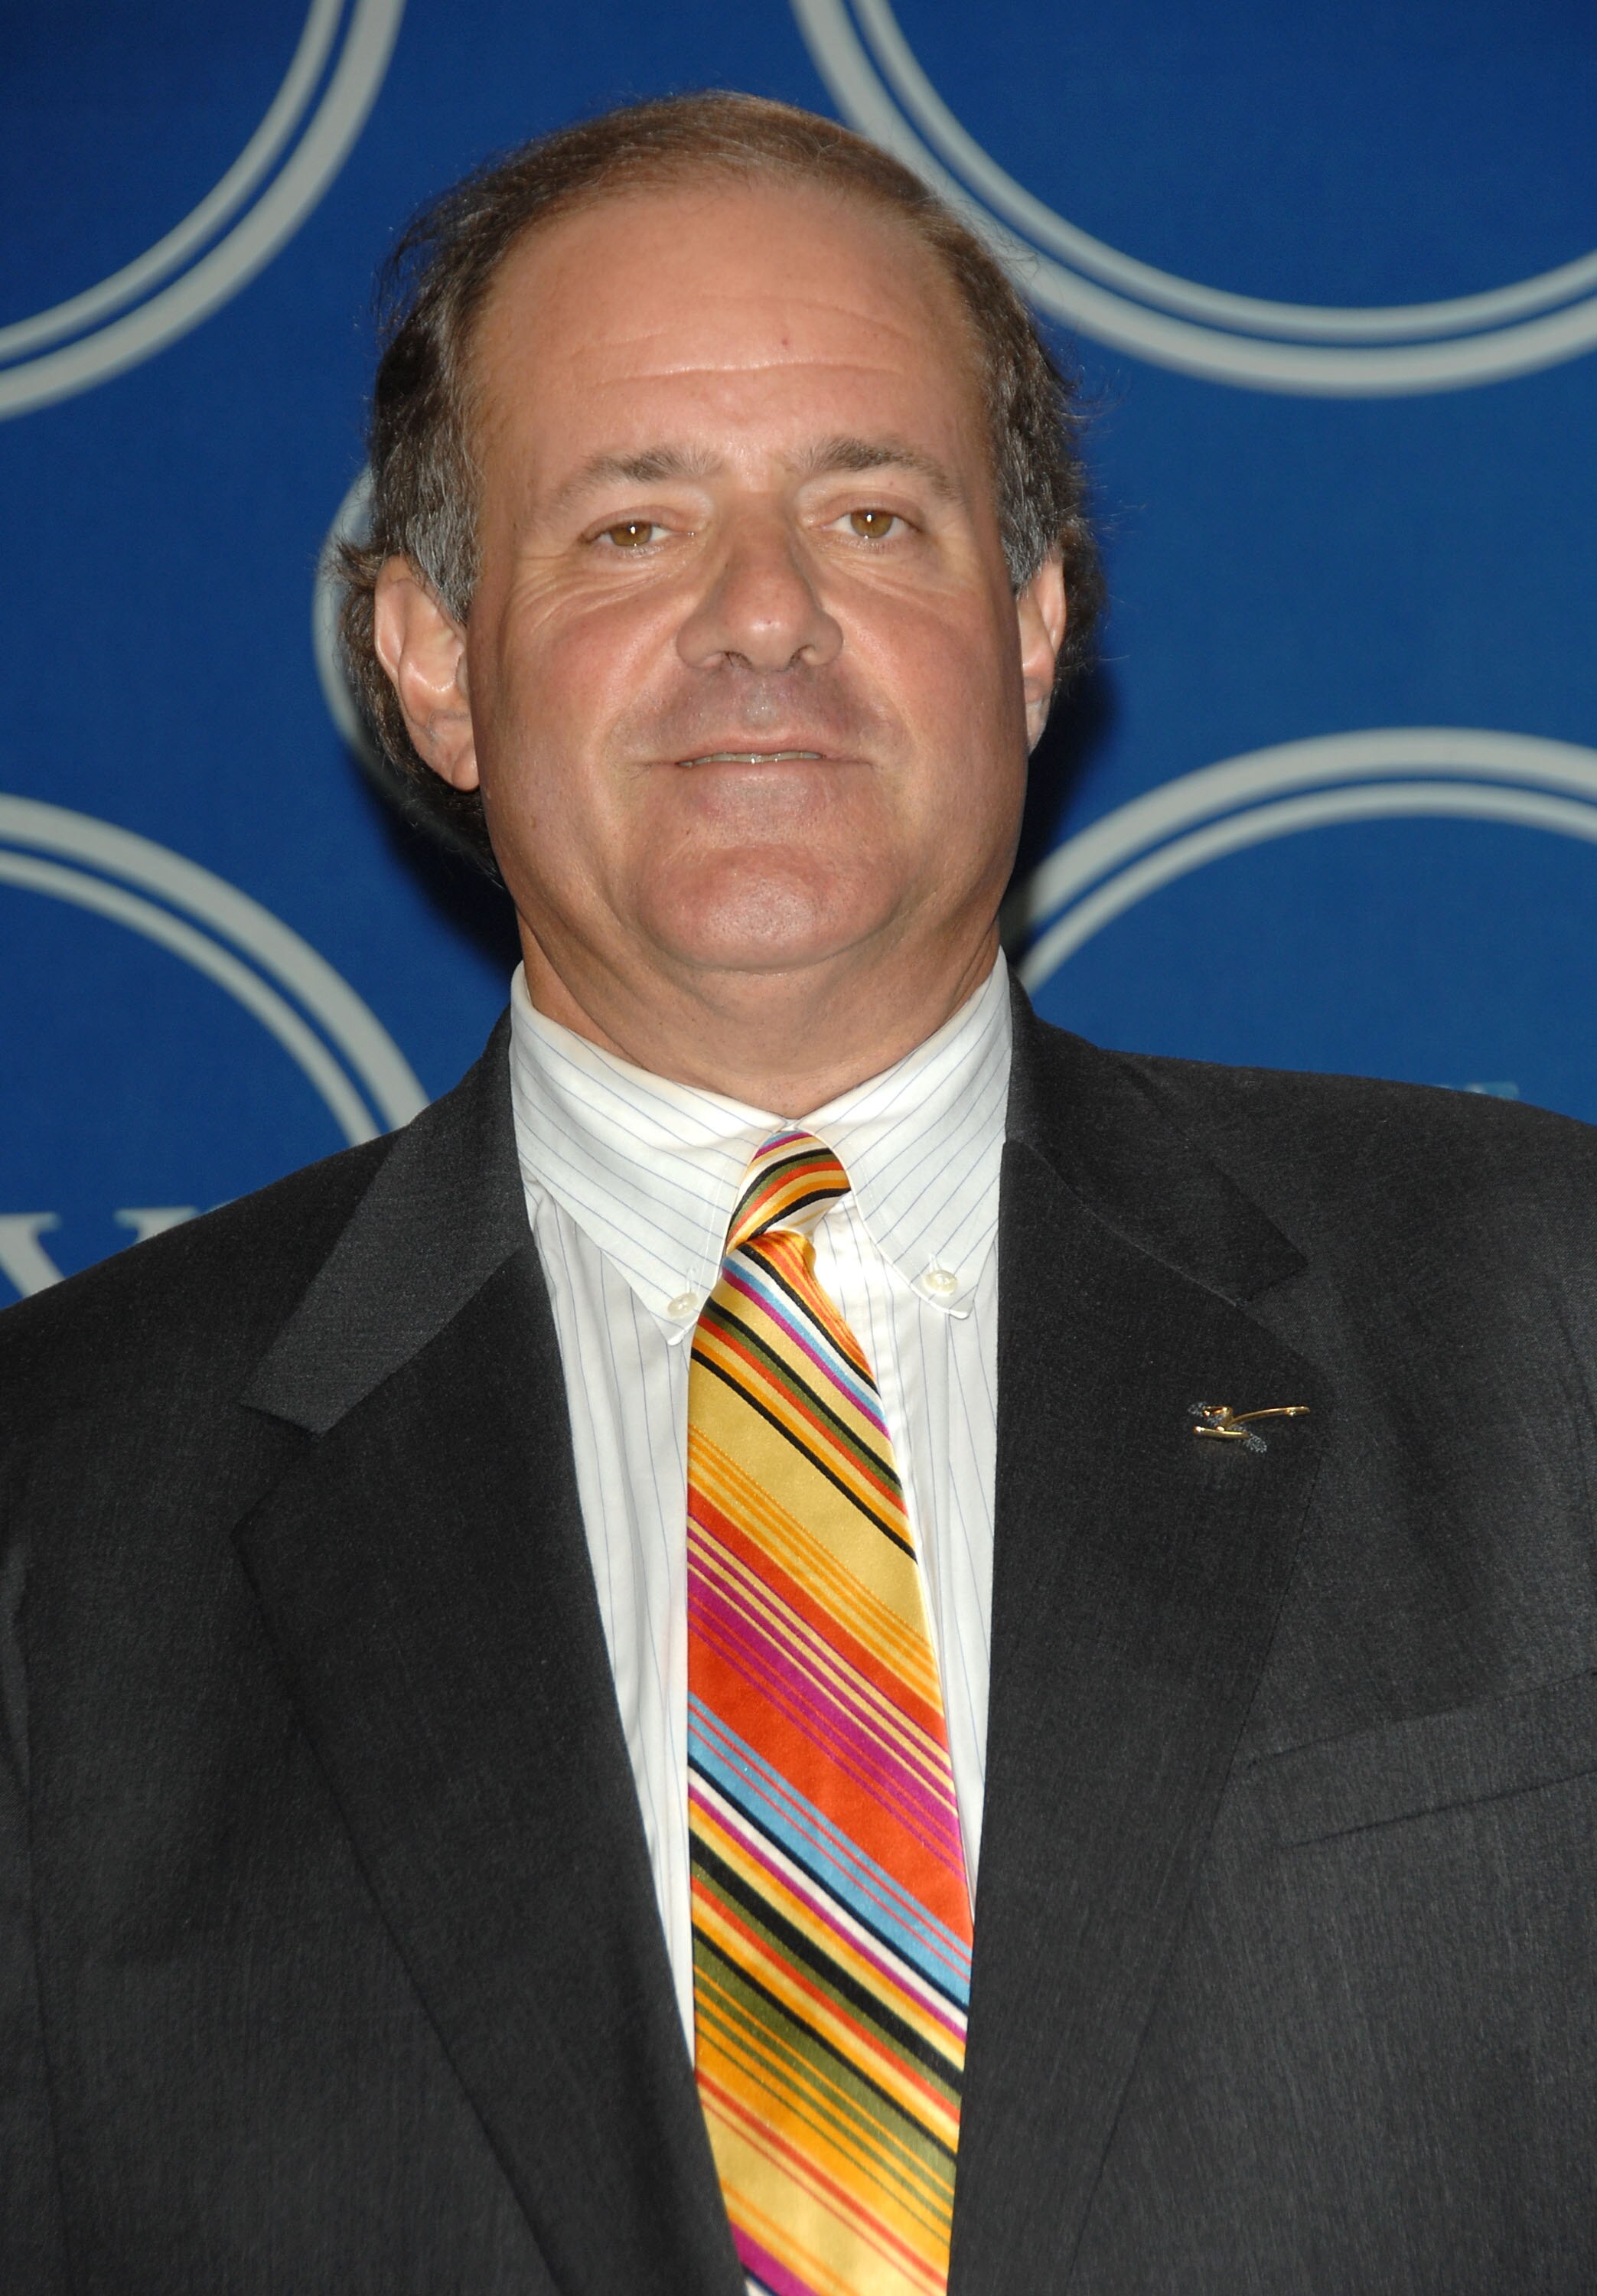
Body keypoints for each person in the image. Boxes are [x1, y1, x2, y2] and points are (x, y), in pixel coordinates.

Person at [3, 90, 1595, 2296]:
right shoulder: (54, 1507)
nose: (767, 623)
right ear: (434, 661)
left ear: (1032, 630)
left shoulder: (1548, 1321)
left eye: (872, 517)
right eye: (634, 530)